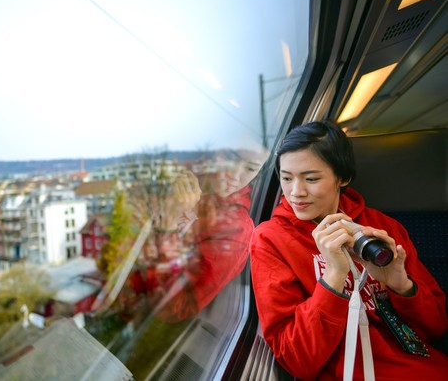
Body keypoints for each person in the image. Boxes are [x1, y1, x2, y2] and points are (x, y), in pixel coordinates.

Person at [250, 121, 448, 380]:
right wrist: (333, 277)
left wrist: (401, 285)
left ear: (343, 178)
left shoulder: (381, 227)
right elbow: (297, 361)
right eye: (286, 178)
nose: (295, 192)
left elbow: (437, 328)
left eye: (311, 179)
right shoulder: (271, 239)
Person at [148, 148, 268, 322]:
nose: (234, 176)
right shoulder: (176, 167)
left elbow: (173, 307)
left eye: (250, 168)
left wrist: (168, 226)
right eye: (230, 157)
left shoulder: (235, 230)